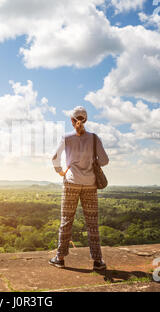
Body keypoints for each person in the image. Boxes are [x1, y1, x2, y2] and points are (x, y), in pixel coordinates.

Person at [49, 106, 109, 270]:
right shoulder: (94, 138)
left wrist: (60, 171)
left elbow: (55, 157)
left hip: (71, 183)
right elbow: (104, 161)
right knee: (92, 223)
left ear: (72, 120)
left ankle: (60, 258)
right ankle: (98, 261)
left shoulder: (66, 137)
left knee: (66, 220)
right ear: (86, 120)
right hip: (90, 184)